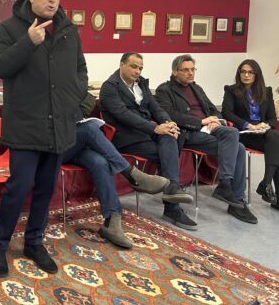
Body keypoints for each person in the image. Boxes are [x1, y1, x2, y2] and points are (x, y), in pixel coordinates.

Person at [0, 0, 86, 278]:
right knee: (18, 189)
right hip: (25, 126)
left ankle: (33, 242)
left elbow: (80, 70)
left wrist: (74, 102)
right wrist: (27, 43)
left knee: (46, 189)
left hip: (59, 125)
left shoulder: (68, 30)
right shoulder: (10, 28)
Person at [155, 54, 257, 224]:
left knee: (237, 143)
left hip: (208, 130)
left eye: (192, 69)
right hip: (188, 132)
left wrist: (216, 120)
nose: (190, 73)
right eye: (185, 70)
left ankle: (234, 198)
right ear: (174, 71)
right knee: (235, 143)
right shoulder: (164, 90)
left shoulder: (196, 88)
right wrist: (200, 122)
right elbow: (170, 115)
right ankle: (228, 189)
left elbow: (213, 109)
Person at [100, 52, 196, 230]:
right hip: (126, 137)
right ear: (122, 65)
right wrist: (154, 128)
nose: (137, 71)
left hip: (146, 134)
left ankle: (172, 191)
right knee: (166, 153)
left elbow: (156, 108)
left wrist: (168, 122)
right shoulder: (109, 87)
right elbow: (123, 115)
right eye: (133, 66)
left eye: (140, 68)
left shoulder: (141, 84)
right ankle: (172, 205)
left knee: (170, 136)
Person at [70, 116, 171, 248]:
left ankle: (111, 221)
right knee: (89, 128)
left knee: (100, 162)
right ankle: (134, 176)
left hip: (75, 142)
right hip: (54, 145)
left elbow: (84, 107)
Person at [222, 59, 279, 210]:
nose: (246, 75)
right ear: (239, 73)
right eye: (243, 72)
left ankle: (266, 183)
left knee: (275, 138)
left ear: (256, 74)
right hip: (243, 132)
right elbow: (227, 112)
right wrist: (249, 125)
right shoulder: (231, 90)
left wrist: (265, 125)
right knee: (276, 144)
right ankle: (268, 187)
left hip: (262, 132)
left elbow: (272, 119)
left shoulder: (266, 91)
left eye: (250, 72)